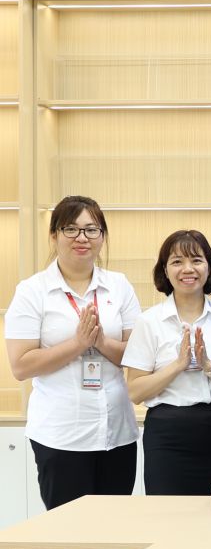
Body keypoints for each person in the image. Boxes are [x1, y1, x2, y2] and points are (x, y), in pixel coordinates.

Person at [5, 196, 141, 509]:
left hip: (116, 434)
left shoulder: (119, 286)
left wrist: (101, 343)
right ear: (53, 235)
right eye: (71, 229)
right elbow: (21, 365)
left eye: (92, 230)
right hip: (61, 434)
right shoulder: (32, 290)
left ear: (102, 237)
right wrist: (77, 344)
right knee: (70, 543)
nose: (82, 238)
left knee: (115, 532)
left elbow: (137, 356)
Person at [123, 230, 211, 496]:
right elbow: (135, 391)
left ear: (209, 267)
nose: (188, 269)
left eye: (196, 260)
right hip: (168, 434)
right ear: (165, 269)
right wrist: (178, 365)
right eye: (177, 261)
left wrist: (208, 365)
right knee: (169, 518)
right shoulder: (149, 321)